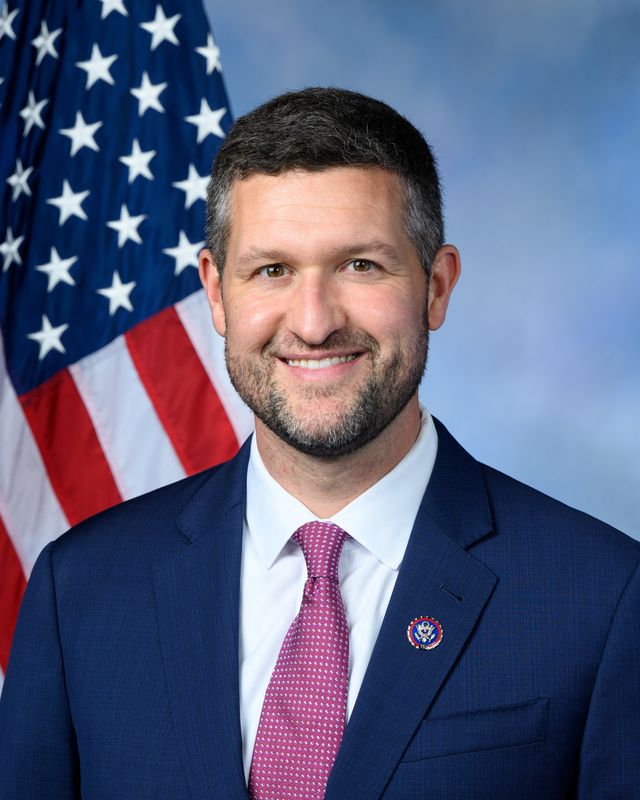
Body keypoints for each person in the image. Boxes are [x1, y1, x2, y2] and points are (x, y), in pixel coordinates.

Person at [1, 87, 639, 800]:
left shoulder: (604, 598)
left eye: (360, 266)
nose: (312, 323)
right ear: (216, 293)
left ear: (436, 286)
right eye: (272, 270)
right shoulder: (79, 592)